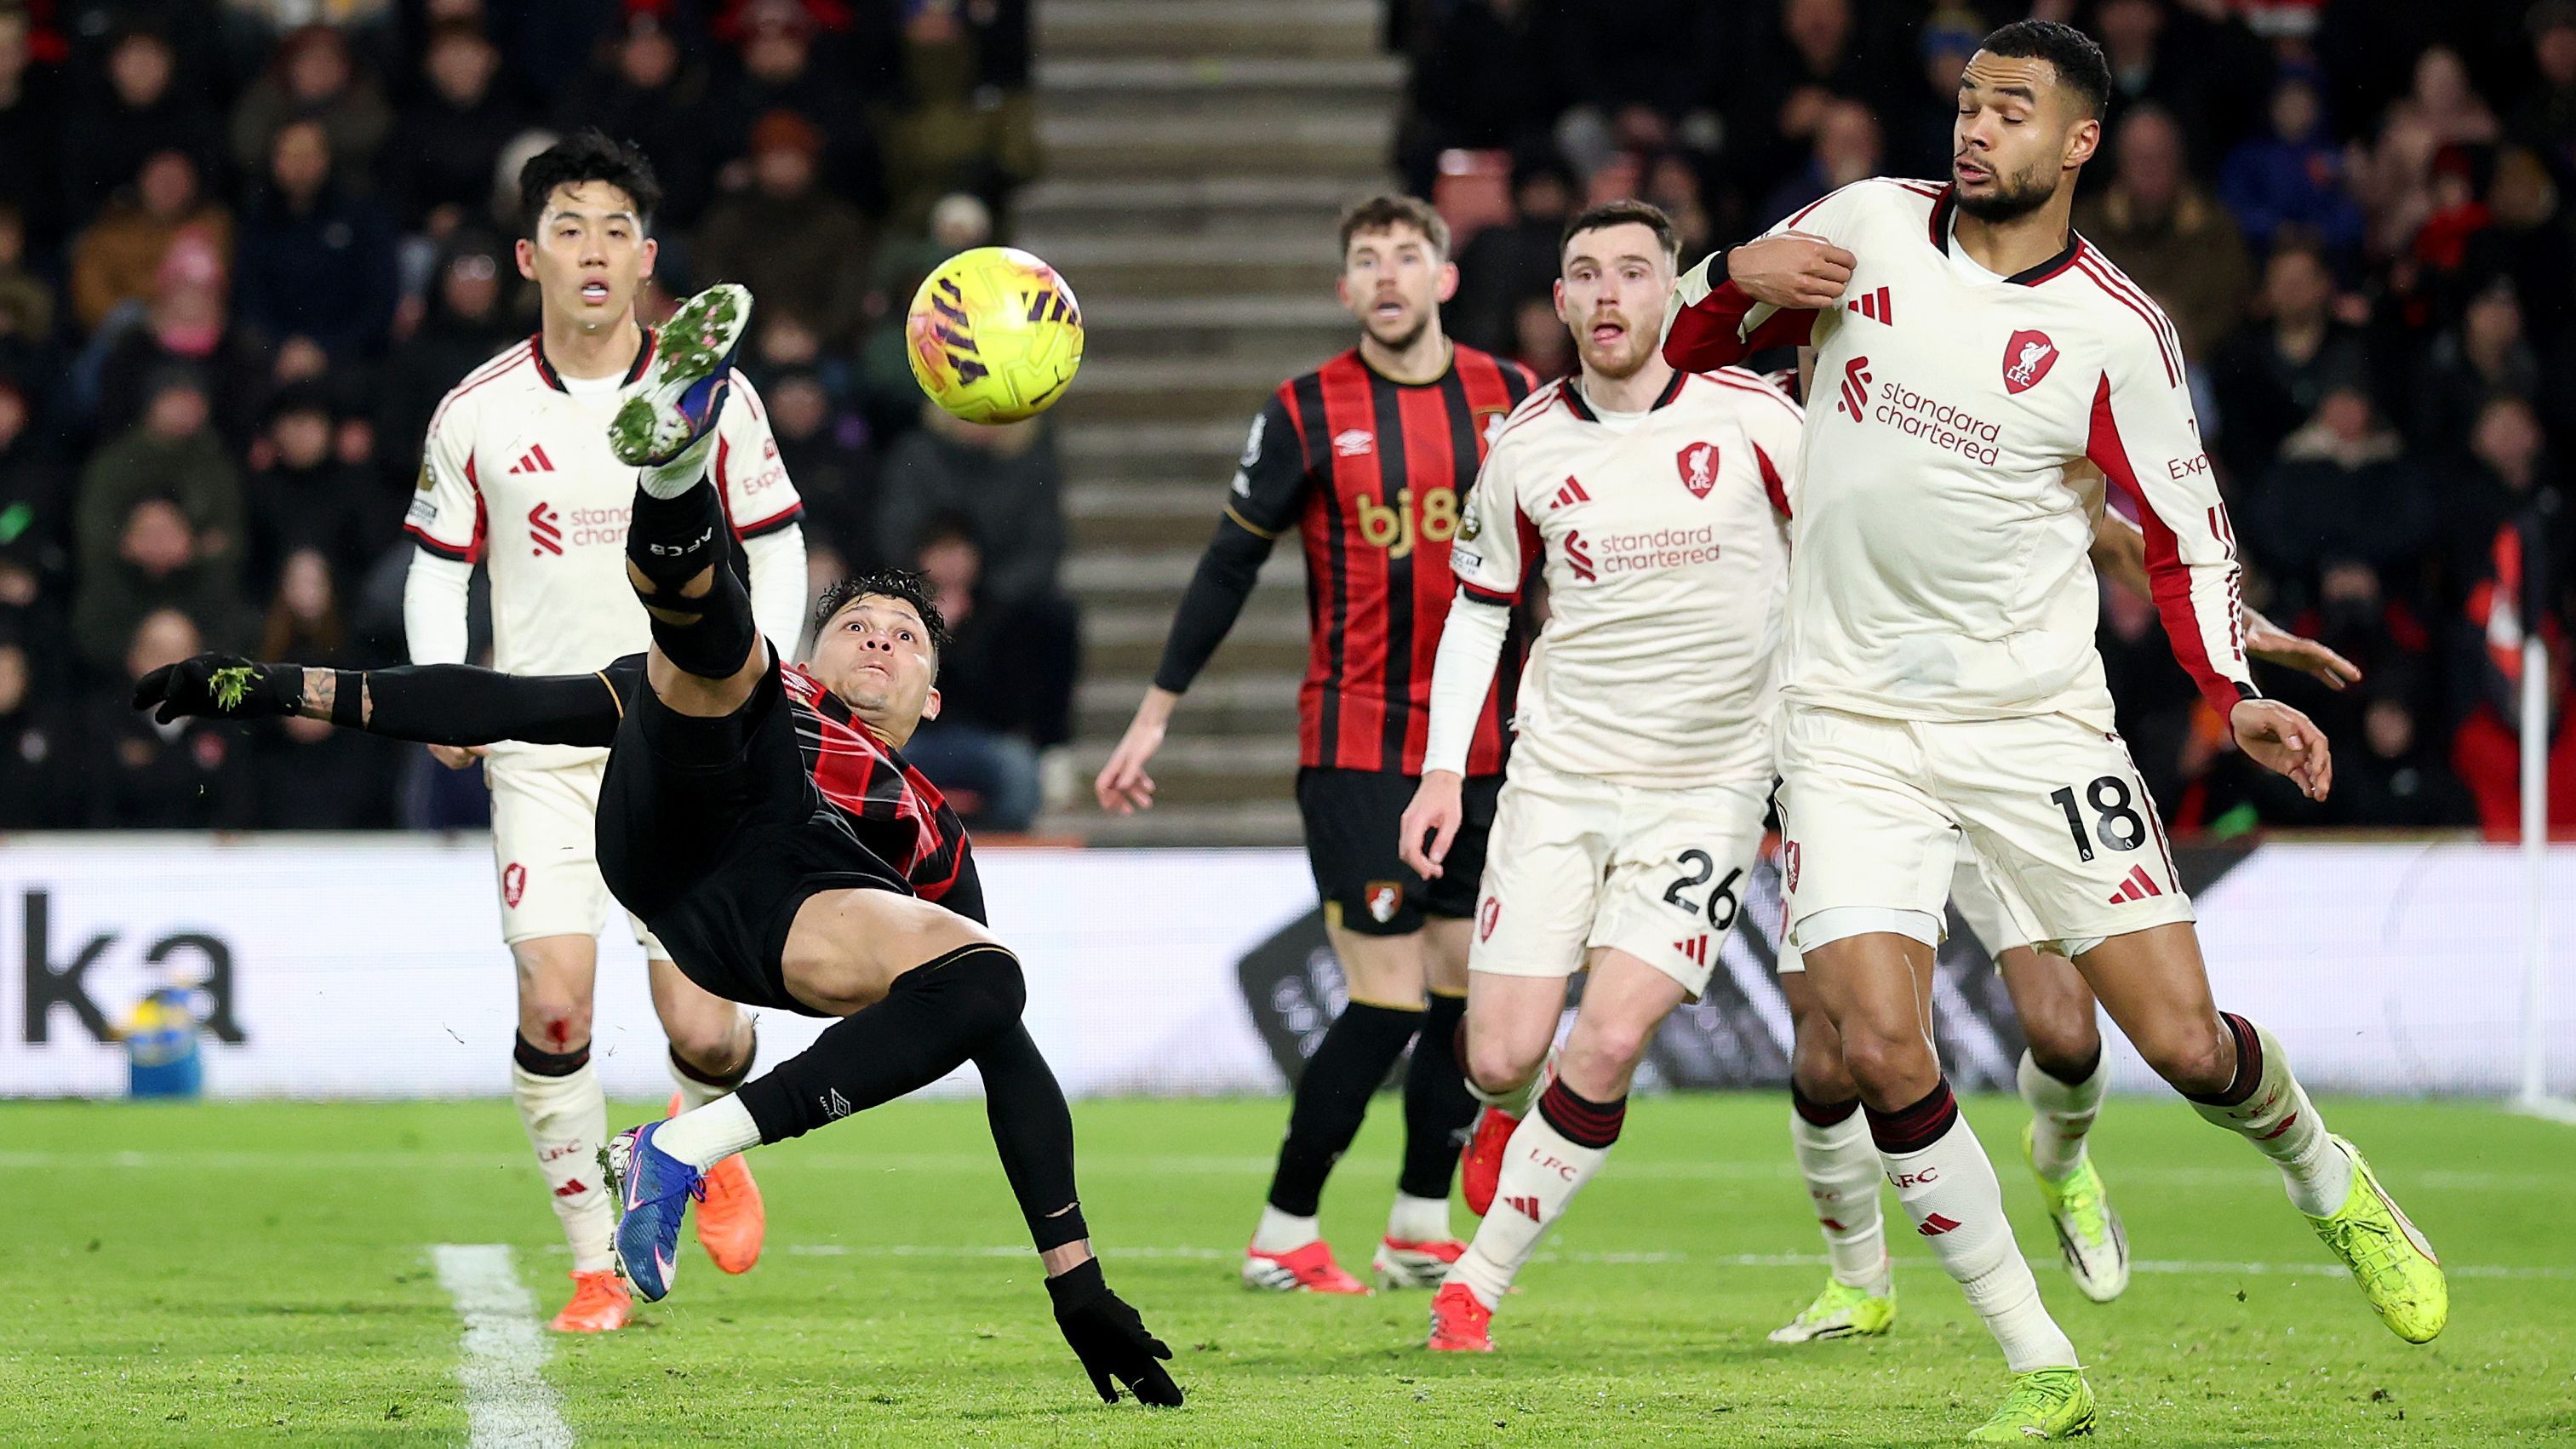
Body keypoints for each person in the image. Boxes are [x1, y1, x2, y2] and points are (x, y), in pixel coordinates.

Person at [134, 283, 1182, 1408]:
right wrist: (264, 685)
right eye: (857, 626)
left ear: (933, 695)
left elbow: (1002, 1055)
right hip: (680, 820)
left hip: (786, 922)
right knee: (717, 653)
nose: (880, 636)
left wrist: (1074, 1276)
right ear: (822, 651)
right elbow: (487, 697)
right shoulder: (781, 688)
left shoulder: (933, 833)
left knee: (988, 976)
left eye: (908, 635)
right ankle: (676, 467)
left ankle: (683, 1145)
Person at [1665, 20, 2444, 1439]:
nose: (1975, 129)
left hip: (2035, 726)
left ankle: (2329, 1178)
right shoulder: (1865, 229)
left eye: (2010, 111)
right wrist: (1720, 275)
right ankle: (2041, 1366)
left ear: (2079, 143)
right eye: (1966, 103)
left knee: (2185, 1043)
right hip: (1846, 718)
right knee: (1880, 1042)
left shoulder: (2115, 331)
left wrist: (2235, 691)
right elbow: (1674, 339)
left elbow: (2188, 534)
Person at [1768, 512, 2365, 1345]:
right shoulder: (1784, 427)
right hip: (1851, 762)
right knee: (1835, 1053)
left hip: (2000, 752)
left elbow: (2116, 539)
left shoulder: (1991, 407)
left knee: (2064, 1037)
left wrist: (2231, 639)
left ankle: (2059, 1161)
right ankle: (1859, 1283)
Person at [399, 133, 810, 1334]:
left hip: (680, 740)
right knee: (558, 1002)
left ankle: (697, 1140)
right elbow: (438, 563)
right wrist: (439, 687)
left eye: (615, 228)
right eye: (569, 226)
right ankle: (595, 1263)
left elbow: (776, 537)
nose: (593, 248)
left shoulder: (708, 396)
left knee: (706, 1024)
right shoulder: (475, 409)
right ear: (529, 256)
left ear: (647, 259)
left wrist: (762, 672)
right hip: (541, 748)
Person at [1095, 194, 1537, 1294]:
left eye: (1406, 256)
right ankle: (1283, 1230)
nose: (1386, 276)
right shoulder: (1304, 411)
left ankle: (1415, 1222)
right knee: (1385, 995)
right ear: (1344, 291)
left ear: (1443, 277)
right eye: (1364, 261)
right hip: (1357, 745)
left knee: (1459, 998)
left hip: (1486, 747)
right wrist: (1154, 714)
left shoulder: (1515, 400)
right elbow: (1226, 566)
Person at [1393, 200, 1806, 1351]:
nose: (1611, 292)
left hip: (1707, 786)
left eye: (1635, 269)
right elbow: (1478, 614)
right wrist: (1439, 776)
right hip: (1559, 779)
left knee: (1611, 1040)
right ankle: (1498, 1111)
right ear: (1561, 302)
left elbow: (1843, 565)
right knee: (1500, 1051)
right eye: (1588, 273)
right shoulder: (1523, 444)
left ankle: (1475, 1281)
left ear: (1674, 291)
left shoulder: (1757, 421)